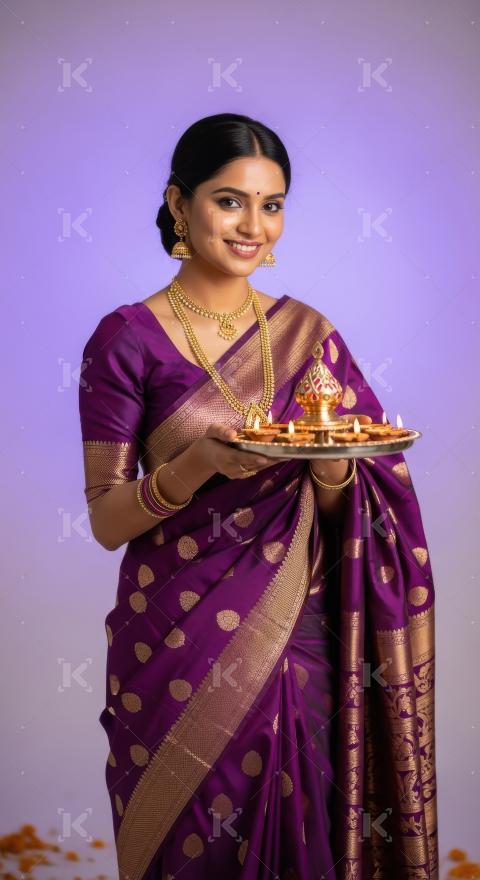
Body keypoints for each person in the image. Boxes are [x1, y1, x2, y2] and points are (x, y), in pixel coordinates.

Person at [78, 113, 438, 880]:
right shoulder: (127, 338)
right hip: (170, 634)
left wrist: (331, 467)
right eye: (229, 200)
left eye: (271, 204)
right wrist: (199, 462)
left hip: (294, 637)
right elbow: (108, 519)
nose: (253, 226)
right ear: (179, 203)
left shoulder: (310, 334)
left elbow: (359, 511)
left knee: (296, 818)